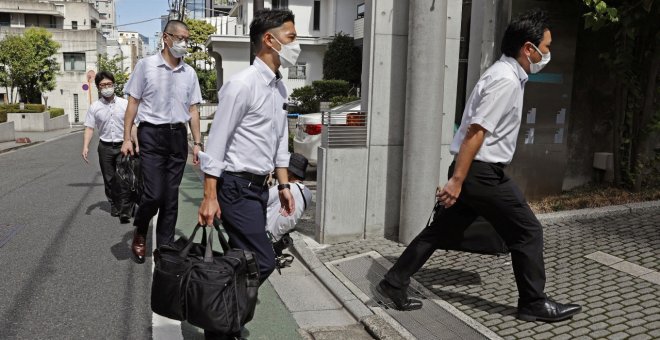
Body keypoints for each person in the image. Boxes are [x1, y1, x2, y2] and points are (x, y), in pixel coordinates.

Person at [378, 9, 582, 323]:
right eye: (547, 45)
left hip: (474, 172)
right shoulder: (505, 80)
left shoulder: (504, 74)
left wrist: (459, 178)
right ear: (529, 48)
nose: (549, 53)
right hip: (482, 173)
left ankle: (394, 282)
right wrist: (458, 180)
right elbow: (477, 130)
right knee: (528, 232)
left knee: (439, 232)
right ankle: (533, 303)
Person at [197, 8, 297, 339]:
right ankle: (224, 323)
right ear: (270, 40)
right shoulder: (241, 85)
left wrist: (283, 184)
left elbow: (280, 140)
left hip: (259, 187)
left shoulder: (279, 88)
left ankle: (222, 323)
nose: (295, 44)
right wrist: (209, 197)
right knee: (262, 261)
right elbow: (217, 143)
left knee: (242, 260)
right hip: (235, 187)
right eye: (291, 38)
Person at [121, 20, 203, 264]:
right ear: (166, 38)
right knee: (154, 194)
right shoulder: (146, 66)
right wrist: (127, 137)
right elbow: (133, 102)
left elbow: (194, 109)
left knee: (171, 197)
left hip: (177, 137)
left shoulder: (189, 73)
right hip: (151, 135)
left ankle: (165, 249)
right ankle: (141, 229)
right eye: (180, 38)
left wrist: (197, 143)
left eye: (187, 39)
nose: (184, 43)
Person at [82, 71, 135, 223]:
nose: (106, 88)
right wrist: (85, 146)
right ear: (98, 88)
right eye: (103, 85)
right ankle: (115, 205)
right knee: (110, 178)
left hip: (123, 145)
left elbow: (133, 125)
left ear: (114, 84)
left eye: (109, 84)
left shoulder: (125, 104)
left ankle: (126, 208)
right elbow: (89, 128)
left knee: (125, 178)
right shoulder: (95, 107)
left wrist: (135, 142)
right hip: (105, 147)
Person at [265, 153, 312, 261]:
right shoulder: (308, 193)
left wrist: (267, 182)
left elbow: (261, 201)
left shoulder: (284, 189)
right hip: (279, 236)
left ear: (289, 172)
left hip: (265, 235)